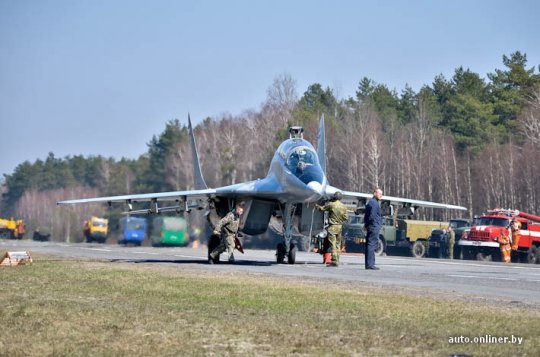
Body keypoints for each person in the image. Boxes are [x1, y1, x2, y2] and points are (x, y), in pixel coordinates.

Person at [315, 191, 348, 267]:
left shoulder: (331, 205)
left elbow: (322, 209)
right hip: (339, 226)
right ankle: (337, 259)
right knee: (338, 244)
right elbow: (346, 217)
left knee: (332, 243)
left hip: (332, 226)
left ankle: (334, 260)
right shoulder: (343, 206)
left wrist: (316, 206)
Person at [364, 188, 383, 270]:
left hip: (371, 226)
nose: (381, 196)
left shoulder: (371, 202)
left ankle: (369, 264)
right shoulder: (374, 203)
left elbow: (367, 215)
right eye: (379, 194)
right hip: (374, 226)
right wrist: (368, 224)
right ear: (375, 193)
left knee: (369, 244)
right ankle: (370, 264)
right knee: (372, 245)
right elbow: (372, 216)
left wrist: (366, 225)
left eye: (381, 194)